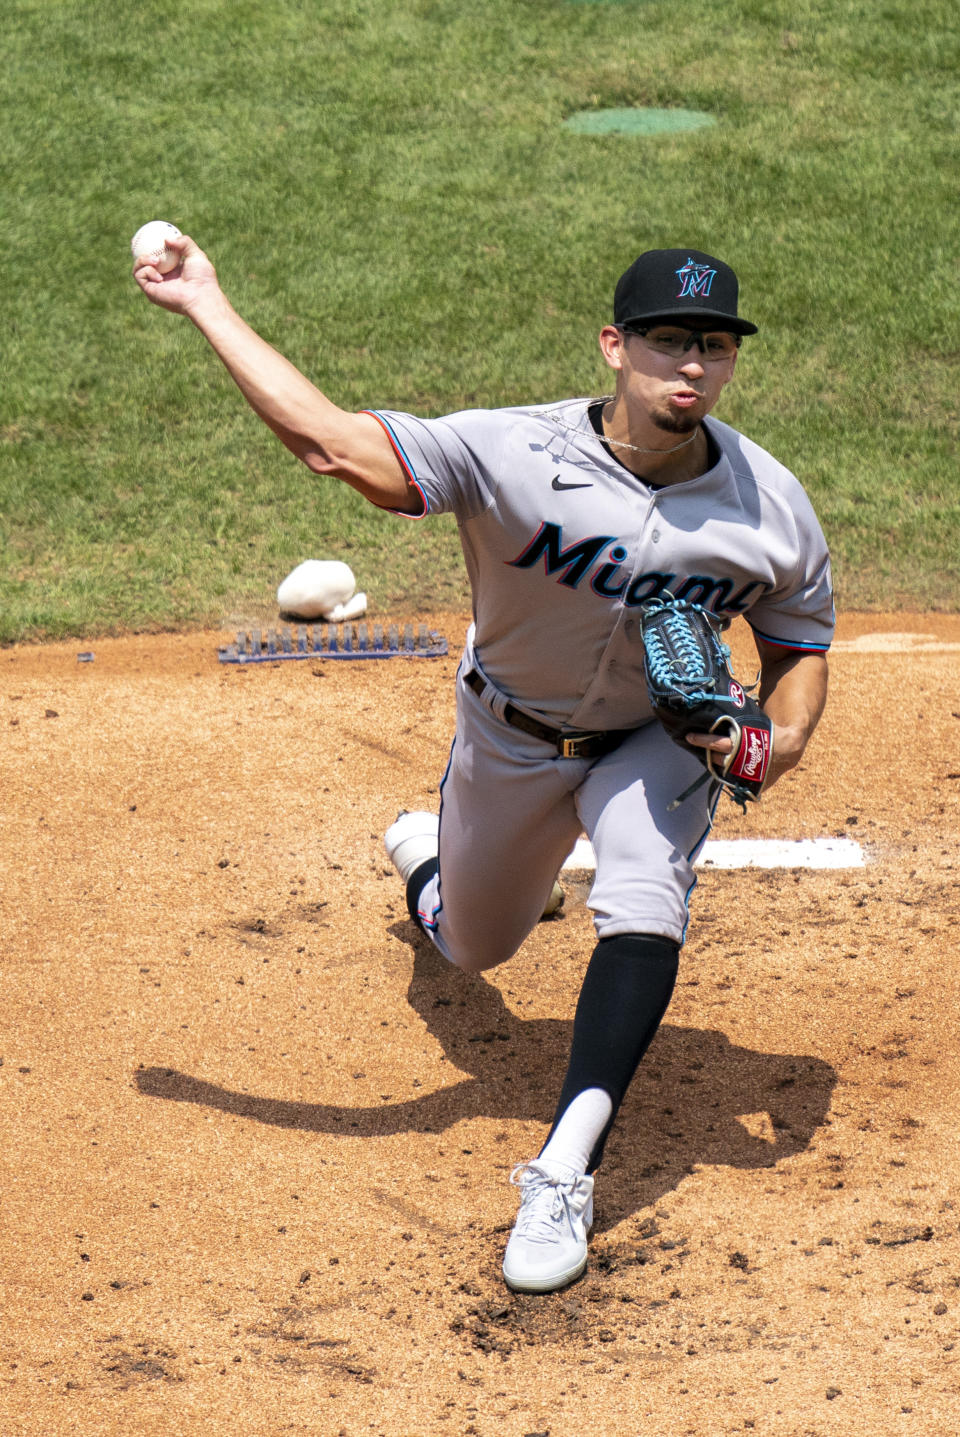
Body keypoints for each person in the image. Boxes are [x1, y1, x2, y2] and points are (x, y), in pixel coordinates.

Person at [134, 241, 833, 1294]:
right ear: (615, 347)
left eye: (715, 346)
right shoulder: (508, 452)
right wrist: (205, 302)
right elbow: (331, 445)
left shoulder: (769, 505)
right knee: (472, 945)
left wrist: (773, 743)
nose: (692, 364)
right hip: (510, 734)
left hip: (656, 738)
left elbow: (798, 646)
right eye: (667, 341)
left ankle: (562, 1169)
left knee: (646, 898)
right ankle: (427, 862)